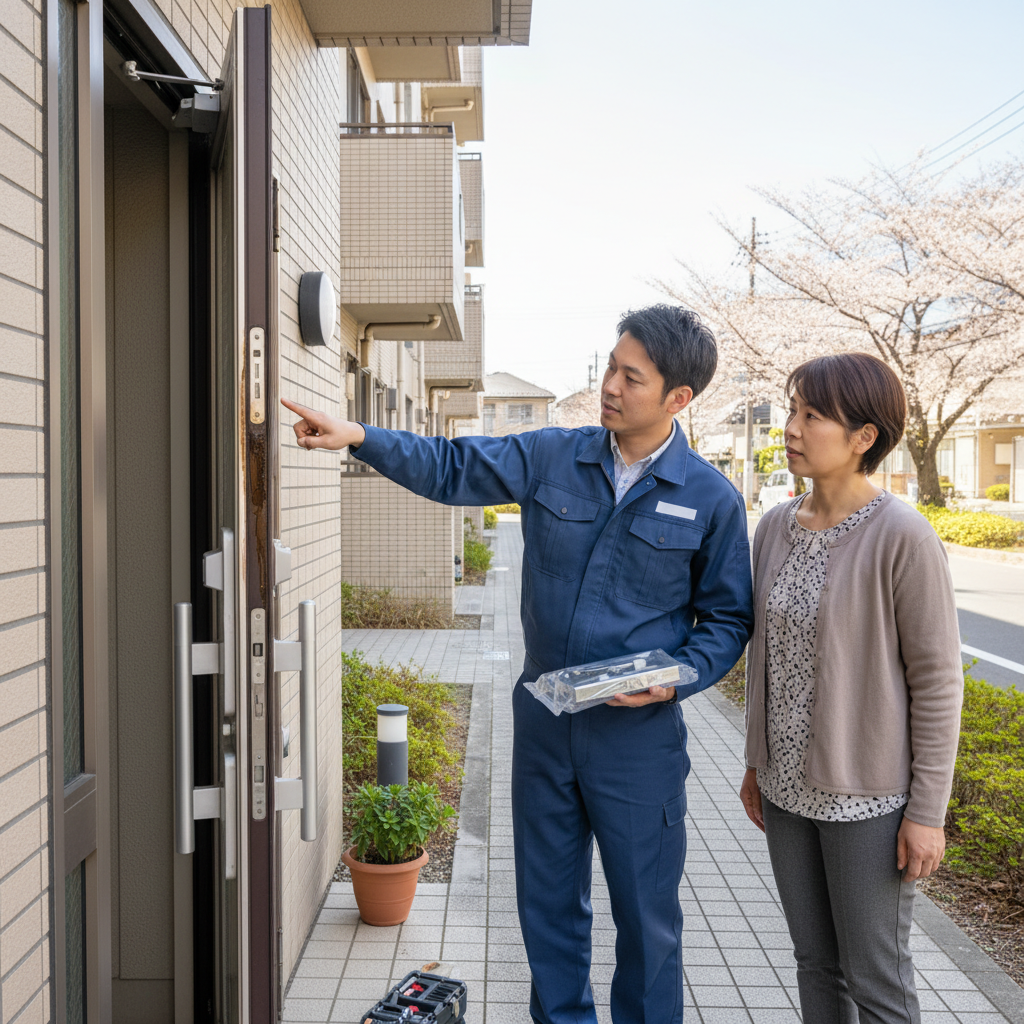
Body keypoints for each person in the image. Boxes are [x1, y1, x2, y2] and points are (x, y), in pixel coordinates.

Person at [283, 305, 753, 1024]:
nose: (610, 386)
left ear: (678, 399)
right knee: (547, 910)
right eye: (610, 366)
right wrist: (362, 436)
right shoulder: (554, 455)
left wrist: (677, 676)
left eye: (632, 377)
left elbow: (726, 621)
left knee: (647, 923)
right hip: (543, 727)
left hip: (638, 741)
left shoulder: (710, 498)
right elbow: (453, 467)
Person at [739, 353, 964, 1024]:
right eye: (792, 411)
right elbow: (764, 655)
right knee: (816, 965)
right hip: (784, 790)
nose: (792, 428)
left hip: (868, 801)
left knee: (876, 981)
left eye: (813, 415)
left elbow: (938, 681)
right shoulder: (774, 527)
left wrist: (926, 813)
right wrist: (756, 762)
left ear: (864, 437)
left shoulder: (903, 536)